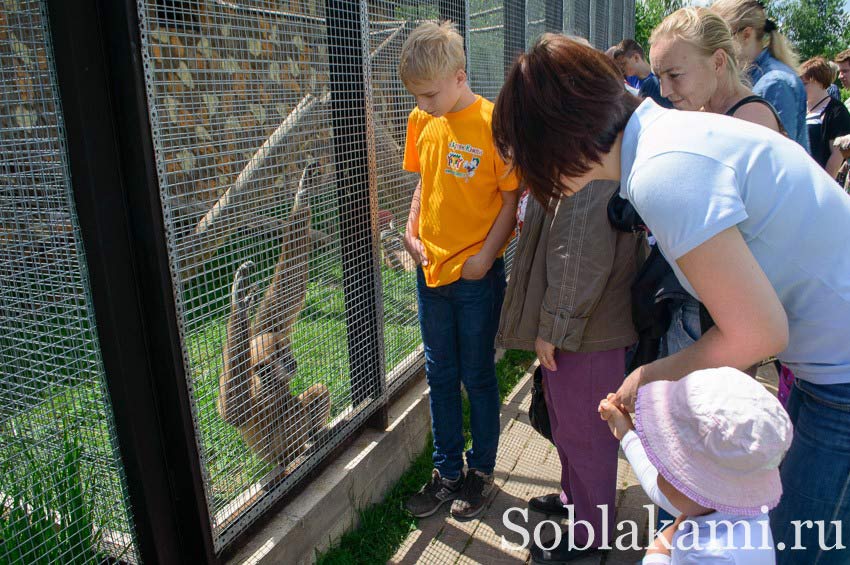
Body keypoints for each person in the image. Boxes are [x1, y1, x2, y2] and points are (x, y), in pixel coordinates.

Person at [492, 34, 850, 565]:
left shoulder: (663, 171)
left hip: (837, 375)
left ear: (561, 139)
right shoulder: (662, 138)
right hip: (825, 365)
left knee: (803, 547)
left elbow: (757, 333)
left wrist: (648, 377)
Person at [397, 21, 519, 520]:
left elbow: (512, 199)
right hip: (431, 274)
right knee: (439, 375)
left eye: (429, 94)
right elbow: (424, 184)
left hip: (474, 279)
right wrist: (410, 230)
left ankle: (481, 471)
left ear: (460, 75)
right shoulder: (422, 119)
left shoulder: (494, 124)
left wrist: (486, 258)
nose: (423, 104)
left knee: (477, 375)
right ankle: (446, 472)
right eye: (417, 96)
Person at [497, 176, 638, 563]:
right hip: (581, 331)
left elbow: (578, 260)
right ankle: (575, 500)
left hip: (587, 335)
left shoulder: (586, 177)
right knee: (567, 426)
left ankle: (591, 534)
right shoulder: (572, 168)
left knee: (587, 435)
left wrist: (553, 329)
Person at [599, 367, 792, 564]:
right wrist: (626, 433)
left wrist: (657, 552)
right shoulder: (735, 506)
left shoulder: (712, 556)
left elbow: (665, 492)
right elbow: (661, 489)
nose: (659, 467)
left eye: (669, 466)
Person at [711, 0, 809, 152]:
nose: (712, 46)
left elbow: (775, 156)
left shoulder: (775, 83)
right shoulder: (751, 76)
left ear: (747, 34)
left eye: (721, 37)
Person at [800, 57, 850, 178]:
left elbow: (837, 155)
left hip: (819, 181)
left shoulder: (836, 110)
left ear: (818, 81)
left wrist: (824, 185)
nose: (800, 88)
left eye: (805, 84)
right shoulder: (800, 108)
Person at [615, 39, 674, 108]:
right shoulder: (630, 78)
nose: (621, 68)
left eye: (623, 63)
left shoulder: (657, 83)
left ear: (636, 58)